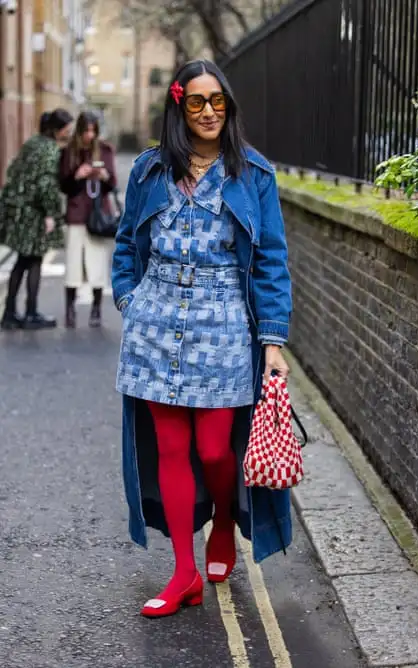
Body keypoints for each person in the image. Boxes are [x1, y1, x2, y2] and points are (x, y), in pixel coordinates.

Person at [112, 59, 292, 618]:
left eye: (218, 101)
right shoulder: (148, 171)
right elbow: (124, 246)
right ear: (179, 106)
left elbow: (270, 263)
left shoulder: (254, 175)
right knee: (169, 447)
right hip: (155, 323)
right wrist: (129, 299)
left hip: (224, 325)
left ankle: (221, 519)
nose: (210, 111)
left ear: (228, 106)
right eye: (197, 102)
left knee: (215, 450)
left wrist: (273, 340)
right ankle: (183, 571)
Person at [0, 109, 73, 330]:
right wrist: (51, 213)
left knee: (22, 261)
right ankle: (30, 312)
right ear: (58, 129)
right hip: (35, 214)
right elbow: (45, 185)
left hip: (19, 211)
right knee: (34, 261)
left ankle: (10, 313)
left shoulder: (32, 143)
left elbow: (14, 171)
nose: (69, 132)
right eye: (67, 128)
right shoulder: (50, 150)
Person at [59, 111, 117, 328]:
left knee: (97, 264)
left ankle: (96, 309)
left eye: (93, 131)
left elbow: (112, 184)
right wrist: (78, 175)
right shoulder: (69, 152)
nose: (89, 135)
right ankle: (70, 310)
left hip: (98, 214)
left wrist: (103, 177)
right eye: (86, 130)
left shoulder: (105, 150)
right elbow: (64, 186)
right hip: (76, 214)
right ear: (80, 130)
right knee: (73, 265)